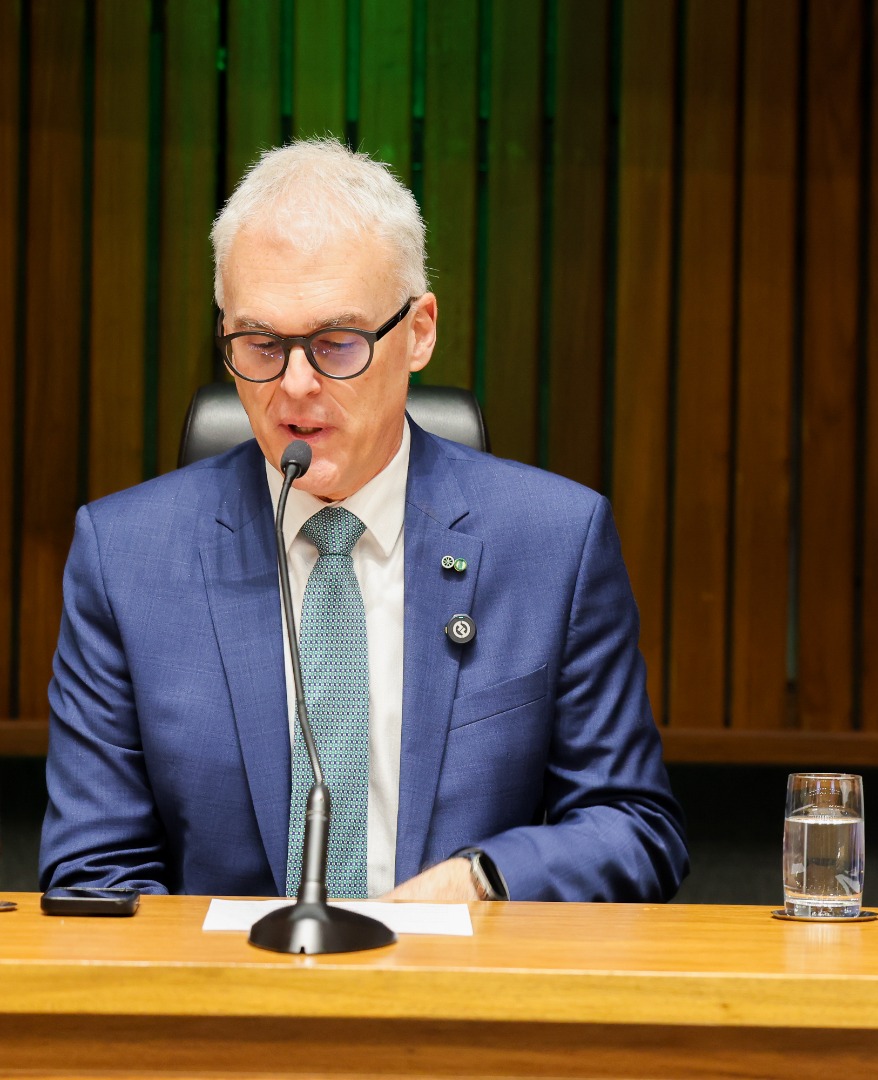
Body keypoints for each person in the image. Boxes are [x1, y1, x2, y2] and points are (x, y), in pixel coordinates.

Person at [40, 139, 687, 903]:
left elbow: (632, 826)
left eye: (336, 344)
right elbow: (94, 874)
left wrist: (483, 879)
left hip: (457, 995)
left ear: (418, 333)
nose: (296, 387)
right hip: (223, 1005)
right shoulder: (127, 558)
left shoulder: (553, 542)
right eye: (259, 344)